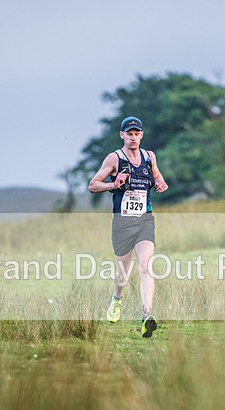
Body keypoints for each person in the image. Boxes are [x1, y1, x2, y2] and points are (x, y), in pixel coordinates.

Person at [88, 116, 169, 337]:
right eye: (129, 134)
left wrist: (161, 183)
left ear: (141, 135)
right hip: (122, 223)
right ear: (122, 135)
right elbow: (93, 185)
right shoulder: (114, 159)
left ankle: (147, 315)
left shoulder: (149, 157)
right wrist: (113, 184)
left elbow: (158, 177)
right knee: (123, 274)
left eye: (137, 134)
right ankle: (117, 299)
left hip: (145, 220)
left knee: (145, 267)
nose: (133, 138)